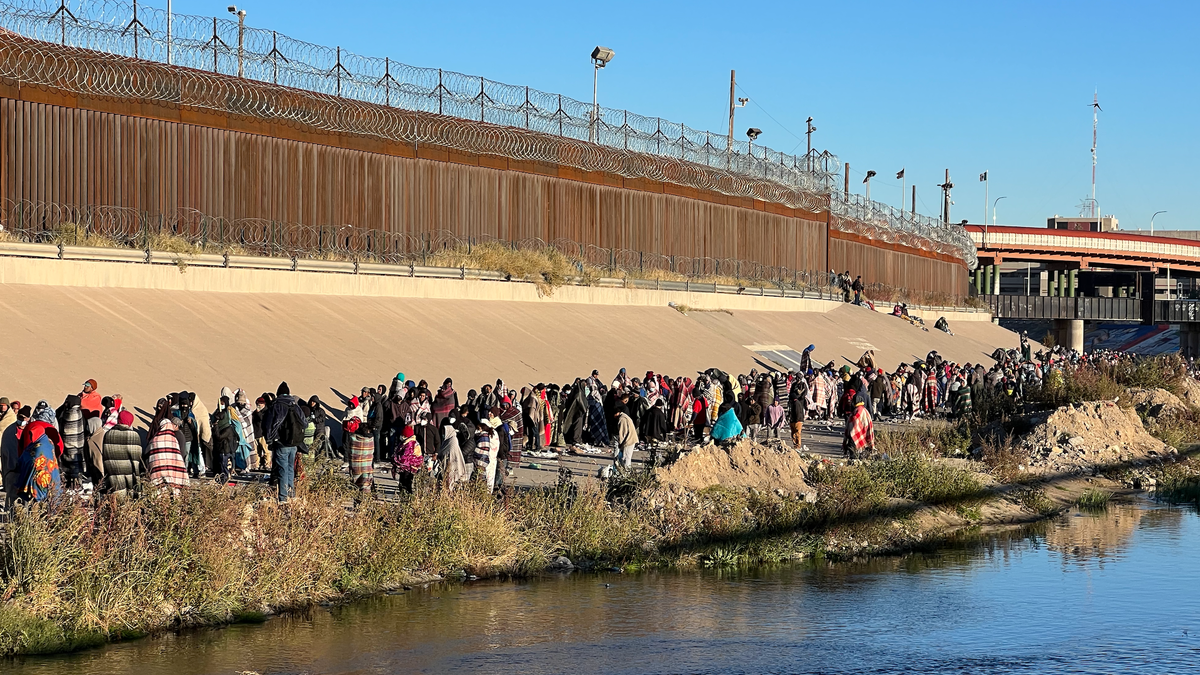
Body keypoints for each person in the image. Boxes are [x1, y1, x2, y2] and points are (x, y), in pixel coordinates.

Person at [262, 382, 305, 503]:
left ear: (278, 394)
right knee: (290, 468)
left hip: (281, 443)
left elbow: (268, 425)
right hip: (294, 443)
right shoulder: (295, 405)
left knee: (282, 470)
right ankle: (291, 495)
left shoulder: (277, 406)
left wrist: (270, 439)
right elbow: (304, 423)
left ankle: (283, 498)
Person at [17, 407, 62, 503]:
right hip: (48, 476)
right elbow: (60, 449)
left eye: (32, 434)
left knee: (40, 501)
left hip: (41, 478)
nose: (31, 436)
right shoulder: (44, 440)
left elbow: (26, 454)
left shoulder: (39, 445)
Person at [96, 410, 144, 494]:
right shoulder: (134, 435)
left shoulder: (109, 434)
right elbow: (137, 459)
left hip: (113, 473)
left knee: (116, 499)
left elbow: (106, 455)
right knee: (129, 500)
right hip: (130, 474)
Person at [146, 413, 189, 493]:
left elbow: (149, 454)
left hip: (159, 470)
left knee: (160, 492)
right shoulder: (174, 440)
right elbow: (178, 455)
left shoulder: (155, 439)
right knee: (173, 492)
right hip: (172, 471)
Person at [55, 394, 86, 488]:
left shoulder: (70, 413)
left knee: (69, 473)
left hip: (68, 448)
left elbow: (63, 426)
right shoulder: (80, 413)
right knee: (76, 473)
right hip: (78, 448)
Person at [392, 425, 423, 493]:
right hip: (406, 468)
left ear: (406, 436)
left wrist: (395, 460)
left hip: (409, 468)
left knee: (406, 485)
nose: (401, 437)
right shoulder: (405, 442)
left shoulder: (410, 444)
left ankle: (407, 500)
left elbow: (404, 459)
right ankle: (406, 499)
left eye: (402, 435)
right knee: (403, 485)